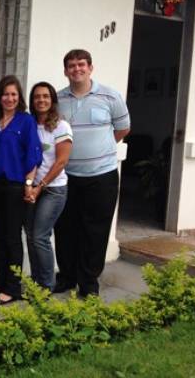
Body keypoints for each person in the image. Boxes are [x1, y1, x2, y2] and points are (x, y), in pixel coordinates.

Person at [54, 49, 130, 297]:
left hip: (102, 177)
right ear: (65, 70)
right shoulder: (58, 99)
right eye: (72, 66)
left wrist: (98, 150)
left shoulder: (110, 96)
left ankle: (88, 284)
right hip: (67, 177)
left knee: (95, 231)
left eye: (81, 65)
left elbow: (122, 129)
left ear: (90, 68)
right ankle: (66, 277)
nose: (77, 69)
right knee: (66, 229)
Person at [0, 75, 42, 305]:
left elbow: (34, 155)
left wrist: (29, 185)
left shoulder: (25, 121)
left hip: (16, 186)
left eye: (13, 95)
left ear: (19, 98)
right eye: (5, 94)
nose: (9, 98)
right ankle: (0, 280)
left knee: (12, 237)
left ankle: (13, 286)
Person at [24, 82, 73, 291]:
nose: (41, 100)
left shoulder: (61, 126)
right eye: (37, 97)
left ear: (52, 100)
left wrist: (39, 186)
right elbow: (28, 159)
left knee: (40, 236)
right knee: (30, 235)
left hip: (53, 189)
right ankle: (36, 282)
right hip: (31, 187)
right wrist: (28, 186)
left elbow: (61, 161)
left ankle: (46, 284)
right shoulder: (30, 125)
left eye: (45, 96)